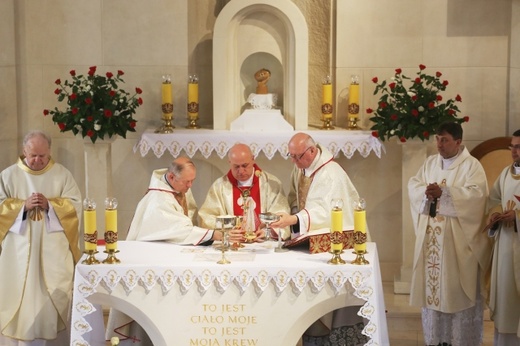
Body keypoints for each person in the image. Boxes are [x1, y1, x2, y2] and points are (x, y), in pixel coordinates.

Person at [271, 132, 367, 346]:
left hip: (333, 243)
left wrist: (294, 219)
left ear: (312, 151)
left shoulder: (329, 173)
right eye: (291, 156)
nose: (294, 161)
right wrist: (289, 222)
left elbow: (325, 212)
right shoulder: (301, 169)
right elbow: (294, 199)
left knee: (332, 301)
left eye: (298, 156)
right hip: (309, 239)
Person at [408, 122, 492, 346]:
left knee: (456, 296)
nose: (439, 144)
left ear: (458, 141)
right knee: (434, 296)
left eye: (444, 140)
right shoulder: (430, 163)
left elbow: (477, 198)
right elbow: (414, 185)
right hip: (432, 247)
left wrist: (444, 194)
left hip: (457, 248)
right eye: (437, 139)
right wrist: (425, 193)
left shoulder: (471, 166)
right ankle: (436, 341)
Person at [0, 130, 82, 345]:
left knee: (53, 293)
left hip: (53, 250)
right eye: (32, 155)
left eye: (42, 156)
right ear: (24, 151)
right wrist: (21, 207)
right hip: (18, 250)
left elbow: (76, 206)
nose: (37, 160)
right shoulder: (8, 176)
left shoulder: (62, 174)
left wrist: (52, 205)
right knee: (21, 291)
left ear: (49, 152)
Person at [198, 143, 290, 241]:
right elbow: (206, 218)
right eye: (236, 167)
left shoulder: (270, 184)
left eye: (245, 165)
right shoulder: (219, 186)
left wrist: (269, 231)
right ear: (229, 162)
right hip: (233, 244)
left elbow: (282, 213)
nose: (241, 171)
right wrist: (225, 233)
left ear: (253, 159)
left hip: (263, 244)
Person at [126, 156, 221, 244]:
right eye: (187, 181)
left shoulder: (179, 187)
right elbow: (177, 230)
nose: (190, 185)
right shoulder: (159, 199)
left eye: (193, 180)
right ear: (171, 177)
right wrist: (211, 234)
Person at [486, 129, 520, 345]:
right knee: (506, 304)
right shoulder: (506, 173)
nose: (514, 151)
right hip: (505, 246)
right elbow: (493, 200)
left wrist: (517, 218)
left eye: (518, 147)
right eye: (513, 146)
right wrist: (496, 215)